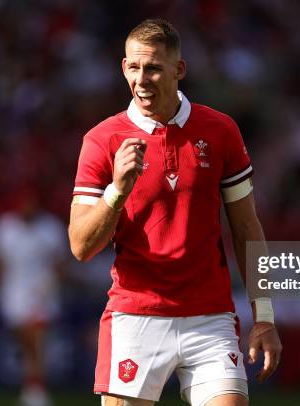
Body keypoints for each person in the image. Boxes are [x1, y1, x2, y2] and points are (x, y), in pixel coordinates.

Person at [68, 19, 281, 406]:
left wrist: (263, 314)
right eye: (133, 68)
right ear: (123, 68)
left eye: (153, 68)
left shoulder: (220, 130)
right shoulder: (102, 140)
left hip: (210, 318)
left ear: (179, 70)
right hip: (135, 317)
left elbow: (247, 227)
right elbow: (81, 246)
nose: (141, 79)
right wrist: (117, 190)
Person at [0, 188, 67, 406]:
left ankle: (37, 390)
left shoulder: (50, 228)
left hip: (42, 291)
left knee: (37, 339)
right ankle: (32, 386)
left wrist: (52, 283)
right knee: (24, 342)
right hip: (13, 292)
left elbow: (61, 262)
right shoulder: (5, 228)